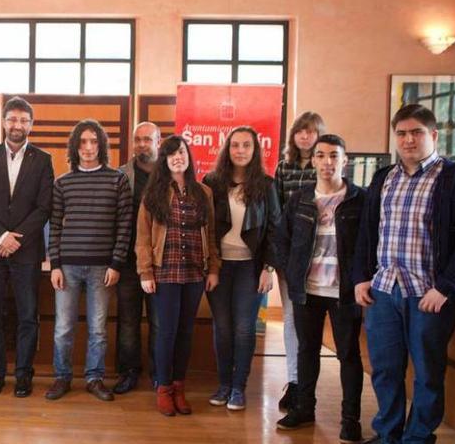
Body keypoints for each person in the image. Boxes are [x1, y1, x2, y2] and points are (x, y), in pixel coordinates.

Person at [352, 105, 455, 443]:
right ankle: (388, 435)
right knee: (385, 370)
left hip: (429, 296)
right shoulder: (384, 178)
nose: (409, 140)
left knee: (427, 373)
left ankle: (417, 438)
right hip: (384, 291)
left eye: (417, 132)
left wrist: (446, 287)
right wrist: (361, 277)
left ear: (433, 135)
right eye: (402, 133)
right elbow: (369, 233)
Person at [274, 134, 365, 443]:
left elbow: (370, 243)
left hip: (345, 292)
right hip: (307, 290)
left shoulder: (359, 199)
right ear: (312, 160)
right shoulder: (299, 198)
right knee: (306, 350)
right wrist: (290, 271)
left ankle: (350, 418)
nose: (327, 162)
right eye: (321, 155)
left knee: (348, 355)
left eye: (334, 156)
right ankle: (304, 408)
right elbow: (281, 239)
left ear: (344, 160)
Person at [0, 96, 54, 397]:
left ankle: (23, 374)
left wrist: (15, 237)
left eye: (23, 120)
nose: (17, 124)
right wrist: (0, 236)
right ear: (3, 122)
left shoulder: (43, 160)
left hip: (27, 251)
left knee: (27, 315)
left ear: (31, 124)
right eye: (12, 119)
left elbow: (44, 207)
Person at [46, 119, 132, 402]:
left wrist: (116, 263)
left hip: (102, 267)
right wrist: (55, 265)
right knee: (63, 327)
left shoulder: (117, 179)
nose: (88, 147)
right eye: (83, 142)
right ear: (75, 146)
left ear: (102, 146)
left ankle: (95, 378)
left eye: (94, 141)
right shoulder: (63, 182)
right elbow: (55, 226)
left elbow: (125, 225)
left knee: (98, 328)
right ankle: (62, 377)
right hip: (67, 266)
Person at [136, 135, 219, 416]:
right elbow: (143, 237)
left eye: (181, 152)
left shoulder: (203, 193)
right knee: (166, 333)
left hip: (195, 272)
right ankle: (163, 388)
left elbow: (212, 235)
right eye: (171, 154)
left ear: (188, 155)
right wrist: (145, 271)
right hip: (165, 272)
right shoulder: (154, 193)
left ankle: (179, 387)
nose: (177, 158)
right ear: (165, 160)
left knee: (185, 334)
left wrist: (214, 268)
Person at [203, 126, 281, 411]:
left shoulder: (266, 185)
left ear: (254, 149)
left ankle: (239, 387)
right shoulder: (211, 182)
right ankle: (224, 384)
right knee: (222, 328)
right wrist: (210, 267)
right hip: (219, 268)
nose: (240, 150)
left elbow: (274, 229)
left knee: (245, 329)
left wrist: (268, 268)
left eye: (246, 145)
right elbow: (205, 228)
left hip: (250, 268)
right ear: (227, 149)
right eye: (235, 145)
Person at [272, 110, 326, 411]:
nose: (305, 136)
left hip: (324, 261)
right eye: (300, 131)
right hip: (292, 261)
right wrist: (281, 258)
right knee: (292, 321)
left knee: (314, 326)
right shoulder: (284, 168)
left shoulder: (326, 166)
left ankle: (308, 385)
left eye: (310, 131)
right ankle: (294, 381)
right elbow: (278, 215)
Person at [114, 121, 162, 394]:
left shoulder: (169, 175)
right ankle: (128, 372)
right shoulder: (121, 175)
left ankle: (159, 373)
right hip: (129, 262)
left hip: (161, 262)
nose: (142, 144)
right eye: (138, 139)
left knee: (159, 320)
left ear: (158, 141)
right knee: (128, 320)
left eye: (148, 139)